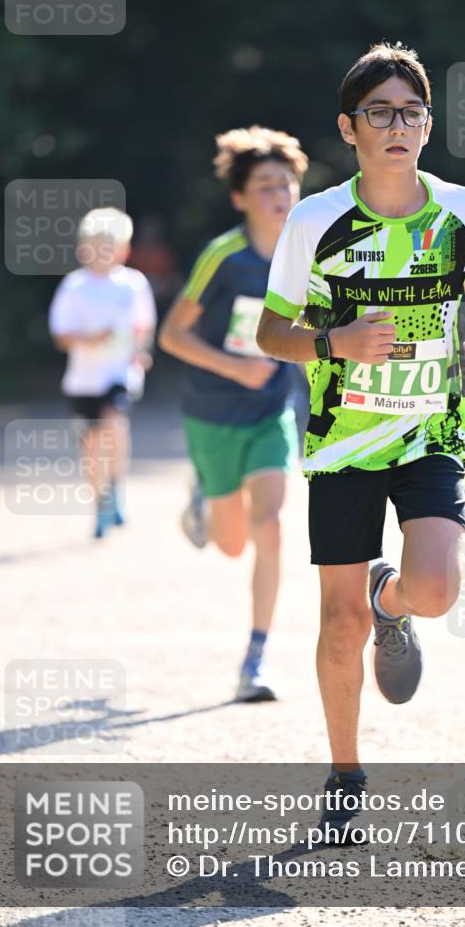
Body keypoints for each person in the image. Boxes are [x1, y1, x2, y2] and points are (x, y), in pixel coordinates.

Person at [257, 42, 465, 839]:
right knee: (337, 628)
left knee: (434, 590)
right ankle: (344, 772)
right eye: (379, 112)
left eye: (410, 111)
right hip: (341, 442)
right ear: (349, 127)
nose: (396, 125)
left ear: (426, 125)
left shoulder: (462, 210)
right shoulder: (314, 220)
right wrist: (334, 343)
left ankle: (388, 598)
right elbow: (270, 333)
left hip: (430, 427)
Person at [158, 126, 309, 703]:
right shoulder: (223, 255)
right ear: (240, 197)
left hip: (270, 411)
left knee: (269, 527)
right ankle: (202, 495)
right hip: (212, 412)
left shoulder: (309, 256)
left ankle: (255, 657)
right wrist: (234, 367)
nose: (279, 194)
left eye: (286, 183)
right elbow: (173, 335)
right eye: (266, 185)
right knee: (229, 544)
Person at [48, 207, 156, 539]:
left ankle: (117, 486)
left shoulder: (133, 284)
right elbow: (60, 336)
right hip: (83, 381)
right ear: (84, 248)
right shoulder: (74, 286)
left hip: (118, 376)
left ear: (124, 249)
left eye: (110, 244)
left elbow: (144, 326)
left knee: (114, 425)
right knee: (91, 446)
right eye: (96, 244)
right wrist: (89, 339)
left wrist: (140, 352)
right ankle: (101, 502)